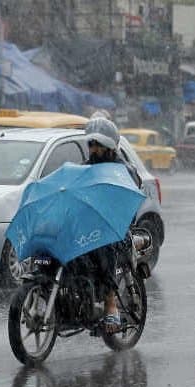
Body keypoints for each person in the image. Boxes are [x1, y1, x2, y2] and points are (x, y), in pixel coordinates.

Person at [76, 116, 141, 333]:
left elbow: (128, 198)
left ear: (109, 146)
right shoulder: (85, 168)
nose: (93, 149)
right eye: (91, 144)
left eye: (98, 145)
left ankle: (110, 304)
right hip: (89, 225)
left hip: (116, 228)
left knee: (104, 246)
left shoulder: (124, 170)